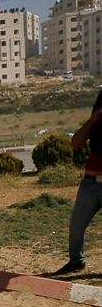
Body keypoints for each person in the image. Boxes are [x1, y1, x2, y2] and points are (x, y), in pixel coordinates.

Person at [52, 90, 102, 275]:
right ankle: (76, 261)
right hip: (90, 183)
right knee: (76, 227)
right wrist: (91, 121)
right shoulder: (95, 126)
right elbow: (75, 143)